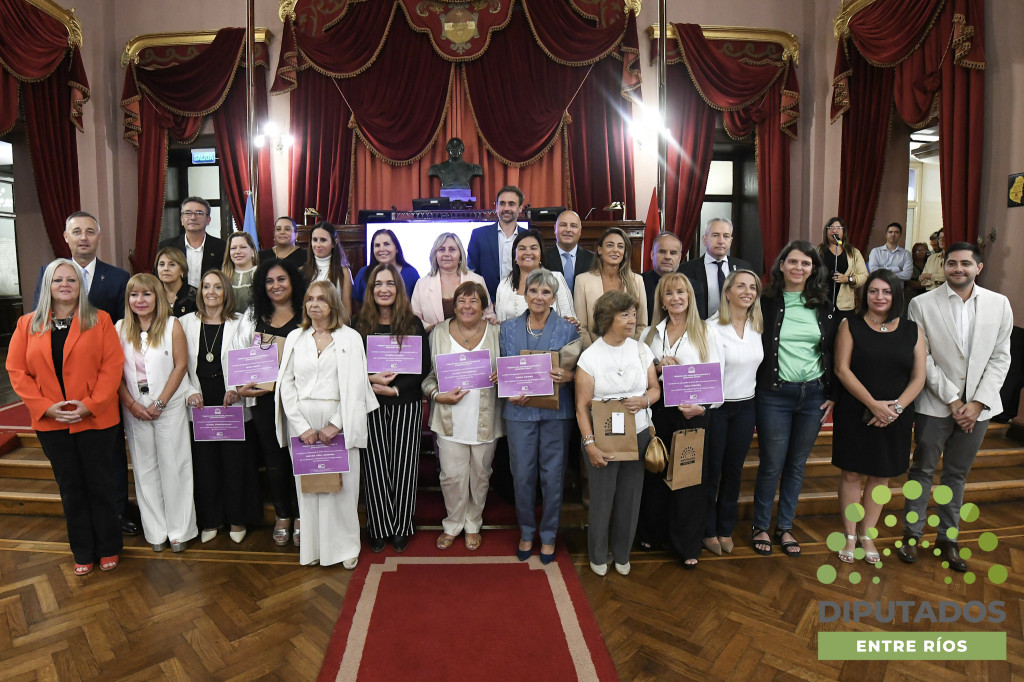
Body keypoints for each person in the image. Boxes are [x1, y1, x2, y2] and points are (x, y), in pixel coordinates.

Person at [898, 243, 1013, 571]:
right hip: (935, 404)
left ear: (978, 267)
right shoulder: (920, 303)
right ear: (943, 266)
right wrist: (953, 399)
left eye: (965, 263)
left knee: (956, 475)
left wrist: (977, 403)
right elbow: (924, 357)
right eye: (952, 263)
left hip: (979, 409)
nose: (958, 268)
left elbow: (1000, 356)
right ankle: (911, 535)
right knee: (921, 470)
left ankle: (947, 538)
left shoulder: (999, 304)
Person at [7, 259, 124, 575]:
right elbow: (17, 371)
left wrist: (91, 403)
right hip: (51, 422)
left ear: (80, 285)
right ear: (48, 285)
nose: (65, 285)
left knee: (100, 484)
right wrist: (44, 406)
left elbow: (111, 368)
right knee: (70, 487)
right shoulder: (27, 324)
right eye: (57, 279)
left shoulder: (100, 320)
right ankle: (83, 550)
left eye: (71, 280)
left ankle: (109, 547)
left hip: (95, 419)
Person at [31, 211, 135, 536]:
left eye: (90, 231)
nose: (84, 237)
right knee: (73, 469)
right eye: (77, 232)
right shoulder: (49, 275)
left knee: (111, 456)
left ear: (98, 237)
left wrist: (103, 391)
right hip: (59, 391)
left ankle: (116, 513)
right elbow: (40, 329)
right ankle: (86, 522)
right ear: (66, 237)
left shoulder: (117, 278)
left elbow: (123, 333)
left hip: (103, 387)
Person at [277, 281, 378, 568]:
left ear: (333, 303)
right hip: (304, 424)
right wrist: (300, 426)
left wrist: (336, 424)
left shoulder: (350, 338)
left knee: (343, 490)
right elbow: (286, 384)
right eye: (310, 299)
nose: (314, 304)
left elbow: (358, 385)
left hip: (340, 421)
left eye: (321, 299)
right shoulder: (296, 337)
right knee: (310, 489)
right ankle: (314, 549)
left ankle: (346, 548)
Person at [832, 269, 926, 564]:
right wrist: (873, 404)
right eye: (874, 291)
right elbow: (842, 369)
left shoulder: (913, 330)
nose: (879, 297)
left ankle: (867, 535)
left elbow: (919, 377)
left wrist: (894, 410)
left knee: (881, 475)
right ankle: (849, 534)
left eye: (886, 291)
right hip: (855, 411)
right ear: (865, 294)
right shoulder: (850, 325)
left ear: (895, 295)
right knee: (851, 473)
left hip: (895, 416)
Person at [751, 240, 836, 558]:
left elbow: (834, 350)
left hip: (812, 394)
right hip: (774, 394)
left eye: (806, 264)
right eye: (793, 262)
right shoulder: (766, 300)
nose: (799, 268)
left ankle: (784, 525)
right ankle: (760, 525)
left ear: (813, 269)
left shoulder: (823, 303)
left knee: (796, 465)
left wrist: (833, 395)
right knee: (771, 464)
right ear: (781, 265)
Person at [636, 273, 720, 567]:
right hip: (658, 414)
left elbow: (718, 378)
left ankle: (686, 546)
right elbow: (639, 374)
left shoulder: (707, 333)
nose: (675, 298)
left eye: (681, 292)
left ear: (690, 296)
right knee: (655, 473)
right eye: (669, 293)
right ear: (661, 299)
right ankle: (652, 533)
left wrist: (703, 407)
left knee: (688, 481)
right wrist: (658, 366)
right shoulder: (648, 334)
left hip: (692, 414)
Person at [499, 269, 581, 564]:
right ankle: (526, 532)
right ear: (525, 294)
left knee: (552, 477)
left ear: (554, 298)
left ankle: (548, 536)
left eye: (546, 292)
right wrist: (506, 386)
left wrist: (569, 374)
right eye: (534, 290)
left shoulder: (569, 330)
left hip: (557, 414)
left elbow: (579, 372)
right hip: (519, 411)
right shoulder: (506, 329)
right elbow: (503, 370)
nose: (539, 297)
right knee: (522, 477)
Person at [575, 291, 658, 576]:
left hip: (640, 435)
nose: (632, 320)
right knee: (602, 499)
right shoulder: (590, 357)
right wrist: (590, 445)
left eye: (634, 314)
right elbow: (581, 408)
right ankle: (598, 554)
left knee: (630, 498)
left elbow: (655, 389)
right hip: (603, 438)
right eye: (625, 315)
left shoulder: (641, 349)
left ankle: (622, 553)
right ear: (607, 319)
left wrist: (645, 400)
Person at [115, 273, 197, 554]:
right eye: (134, 295)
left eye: (147, 294)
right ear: (128, 300)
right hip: (135, 408)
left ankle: (179, 530)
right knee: (145, 469)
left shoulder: (172, 325)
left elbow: (180, 366)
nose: (140, 300)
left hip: (168, 406)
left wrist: (160, 403)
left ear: (157, 297)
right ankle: (156, 531)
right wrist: (131, 405)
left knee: (174, 467)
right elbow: (115, 374)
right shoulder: (119, 328)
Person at [353, 263, 430, 552]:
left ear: (398, 289)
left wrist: (396, 389)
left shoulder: (412, 324)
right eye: (378, 284)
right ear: (370, 290)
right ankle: (379, 525)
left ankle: (401, 526)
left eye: (390, 284)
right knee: (375, 468)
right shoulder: (357, 324)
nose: (384, 289)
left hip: (405, 403)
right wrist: (370, 380)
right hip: (370, 403)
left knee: (404, 467)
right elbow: (350, 368)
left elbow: (422, 367)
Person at [181, 270, 261, 545]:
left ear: (226, 291)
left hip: (231, 397)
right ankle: (211, 520)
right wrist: (190, 392)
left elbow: (250, 360)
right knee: (205, 465)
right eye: (206, 287)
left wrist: (236, 389)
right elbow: (179, 366)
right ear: (200, 291)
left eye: (217, 287)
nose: (211, 292)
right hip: (200, 399)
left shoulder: (241, 323)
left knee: (236, 462)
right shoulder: (184, 323)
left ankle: (237, 519)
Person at [232, 259, 307, 546]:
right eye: (270, 281)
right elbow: (237, 353)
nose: (276, 286)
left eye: (282, 279)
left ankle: (302, 514)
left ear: (293, 282)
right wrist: (242, 386)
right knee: (274, 460)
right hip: (264, 400)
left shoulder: (306, 312)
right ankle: (283, 514)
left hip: (300, 401)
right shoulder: (253, 314)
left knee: (300, 456)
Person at [422, 281, 502, 551]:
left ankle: (473, 524)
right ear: (453, 305)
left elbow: (508, 370)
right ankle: (453, 524)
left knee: (481, 476)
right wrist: (436, 394)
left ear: (484, 306)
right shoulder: (439, 333)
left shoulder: (496, 333)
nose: (467, 306)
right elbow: (428, 377)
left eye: (474, 301)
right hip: (448, 418)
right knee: (451, 477)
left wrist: (502, 377)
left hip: (485, 419)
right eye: (462, 301)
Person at [704, 270, 763, 556]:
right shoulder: (712, 327)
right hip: (718, 408)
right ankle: (707, 529)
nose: (747, 291)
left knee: (733, 472)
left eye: (752, 287)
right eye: (740, 286)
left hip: (746, 407)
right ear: (727, 292)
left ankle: (725, 527)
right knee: (712, 471)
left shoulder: (757, 324)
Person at [574, 227, 647, 348]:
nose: (615, 250)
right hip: (594, 353)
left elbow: (641, 324)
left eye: (620, 246)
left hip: (629, 352)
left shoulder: (637, 281)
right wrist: (594, 353)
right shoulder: (582, 280)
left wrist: (631, 349)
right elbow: (582, 327)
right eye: (610, 245)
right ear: (600, 250)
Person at [410, 232, 493, 331]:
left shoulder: (477, 280)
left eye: (452, 249)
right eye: (441, 249)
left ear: (460, 255)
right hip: (433, 343)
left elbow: (488, 314)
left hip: (473, 341)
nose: (446, 254)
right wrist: (432, 330)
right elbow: (414, 319)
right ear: (435, 255)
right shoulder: (422, 284)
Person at [678, 218, 753, 320]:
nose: (721, 241)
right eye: (715, 235)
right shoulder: (686, 270)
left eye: (726, 236)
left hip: (734, 329)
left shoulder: (744, 268)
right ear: (704, 240)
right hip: (699, 329)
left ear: (731, 241)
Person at [494, 229, 575, 323]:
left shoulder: (556, 278)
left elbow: (570, 320)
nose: (528, 252)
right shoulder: (504, 285)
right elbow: (500, 326)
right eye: (522, 248)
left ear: (541, 254)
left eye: (533, 248)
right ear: (514, 255)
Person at [467, 185, 526, 301]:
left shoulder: (529, 236)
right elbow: (471, 273)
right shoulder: (479, 235)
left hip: (522, 302)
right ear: (497, 207)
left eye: (511, 204)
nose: (506, 208)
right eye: (502, 203)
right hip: (488, 303)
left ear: (520, 208)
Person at [158, 197, 226, 289]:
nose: (193, 217)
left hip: (211, 299)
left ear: (208, 220)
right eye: (188, 213)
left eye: (199, 213)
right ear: (182, 219)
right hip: (177, 301)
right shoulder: (167, 246)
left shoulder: (222, 247)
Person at [352, 228, 421, 306]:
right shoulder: (363, 273)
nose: (381, 249)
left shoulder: (411, 273)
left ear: (397, 248)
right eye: (377, 245)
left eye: (386, 244)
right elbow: (357, 304)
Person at [817, 217, 868, 322]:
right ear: (826, 231)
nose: (834, 230)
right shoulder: (819, 251)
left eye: (838, 228)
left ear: (843, 231)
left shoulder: (853, 253)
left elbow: (863, 275)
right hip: (821, 301)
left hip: (844, 305)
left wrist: (848, 279)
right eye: (831, 227)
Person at [301, 221, 354, 317]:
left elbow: (347, 310)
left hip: (335, 327)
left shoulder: (344, 272)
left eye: (323, 240)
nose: (318, 245)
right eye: (315, 240)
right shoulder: (302, 271)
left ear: (334, 243)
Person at [541, 209, 594, 295]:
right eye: (563, 225)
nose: (568, 229)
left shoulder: (593, 259)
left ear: (580, 231)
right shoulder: (543, 258)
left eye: (573, 226)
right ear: (555, 229)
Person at [642, 231, 684, 324]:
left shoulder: (692, 287)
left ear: (680, 257)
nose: (667, 257)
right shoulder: (638, 283)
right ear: (652, 255)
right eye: (662, 252)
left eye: (673, 253)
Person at [154, 247, 198, 318]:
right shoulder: (153, 294)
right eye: (162, 264)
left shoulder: (196, 296)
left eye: (172, 265)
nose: (166, 268)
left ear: (182, 270)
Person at [222, 232, 259, 314]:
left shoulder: (261, 275)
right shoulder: (222, 277)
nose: (237, 251)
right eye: (233, 248)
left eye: (243, 247)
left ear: (253, 250)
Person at [905, 242, 931, 308]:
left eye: (923, 250)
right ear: (913, 253)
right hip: (913, 292)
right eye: (918, 251)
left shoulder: (930, 262)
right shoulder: (909, 264)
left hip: (927, 291)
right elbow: (908, 281)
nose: (921, 252)